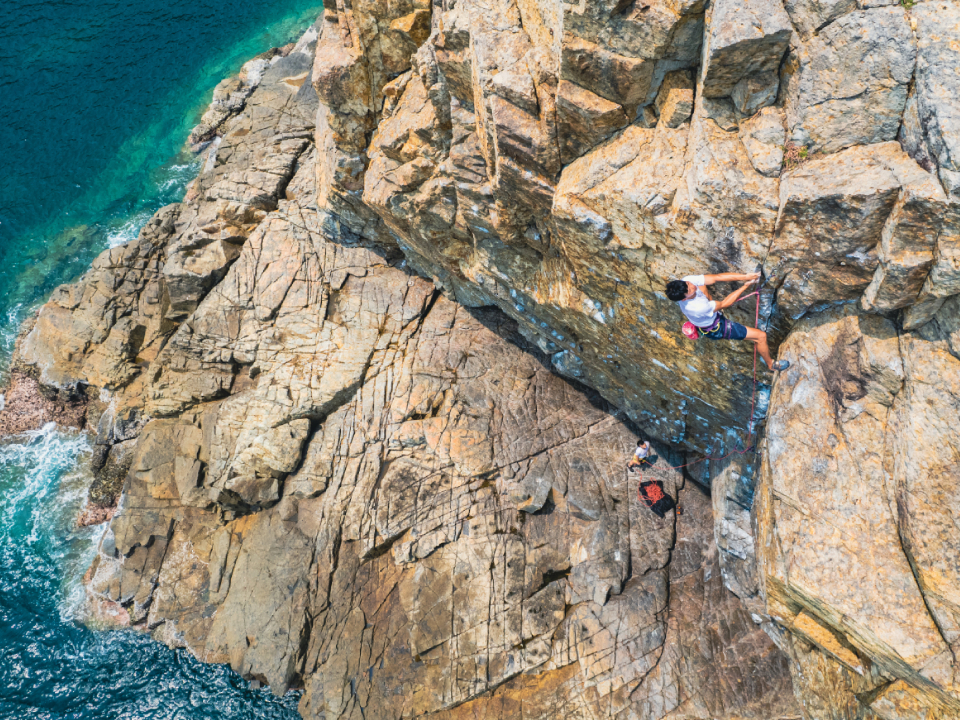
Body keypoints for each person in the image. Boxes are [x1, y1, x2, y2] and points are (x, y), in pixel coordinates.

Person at [665, 272, 789, 371]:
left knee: (702, 283)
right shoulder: (697, 308)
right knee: (761, 336)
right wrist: (746, 285)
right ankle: (771, 365)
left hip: (709, 314)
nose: (692, 286)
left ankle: (712, 308)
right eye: (689, 289)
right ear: (683, 299)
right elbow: (725, 303)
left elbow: (717, 278)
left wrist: (745, 276)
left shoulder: (687, 281)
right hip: (717, 328)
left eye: (688, 283)